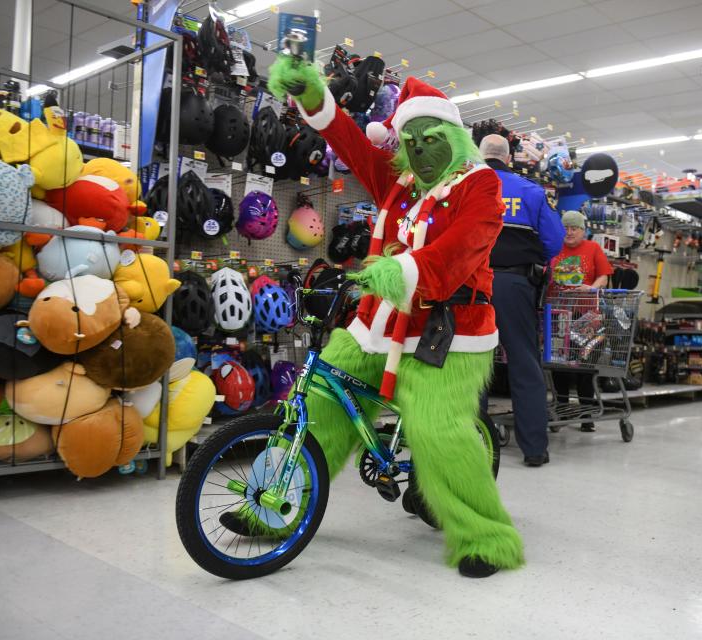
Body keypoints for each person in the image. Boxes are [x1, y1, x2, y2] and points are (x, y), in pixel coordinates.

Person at [259, 61, 524, 579]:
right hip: (377, 322)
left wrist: (398, 271)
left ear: (453, 136)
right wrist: (315, 99)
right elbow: (354, 146)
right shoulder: (399, 184)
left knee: (435, 428)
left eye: (432, 136)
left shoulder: (481, 186)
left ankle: (485, 536)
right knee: (313, 402)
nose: (421, 147)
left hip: (450, 329)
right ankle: (269, 507)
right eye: (411, 139)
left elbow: (461, 250)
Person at [478, 134, 564, 467]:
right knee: (524, 363)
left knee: (475, 364)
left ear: (480, 155)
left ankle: (473, 442)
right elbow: (555, 243)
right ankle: (534, 449)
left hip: (472, 286)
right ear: (509, 158)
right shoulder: (530, 191)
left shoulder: (463, 187)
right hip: (515, 285)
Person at [550, 210, 613, 432]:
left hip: (587, 317)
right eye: (565, 228)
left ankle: (587, 414)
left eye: (573, 228)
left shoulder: (593, 248)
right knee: (559, 365)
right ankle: (560, 410)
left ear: (582, 230)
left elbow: (604, 276)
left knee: (585, 366)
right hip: (559, 316)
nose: (569, 232)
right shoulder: (553, 248)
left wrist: (591, 288)